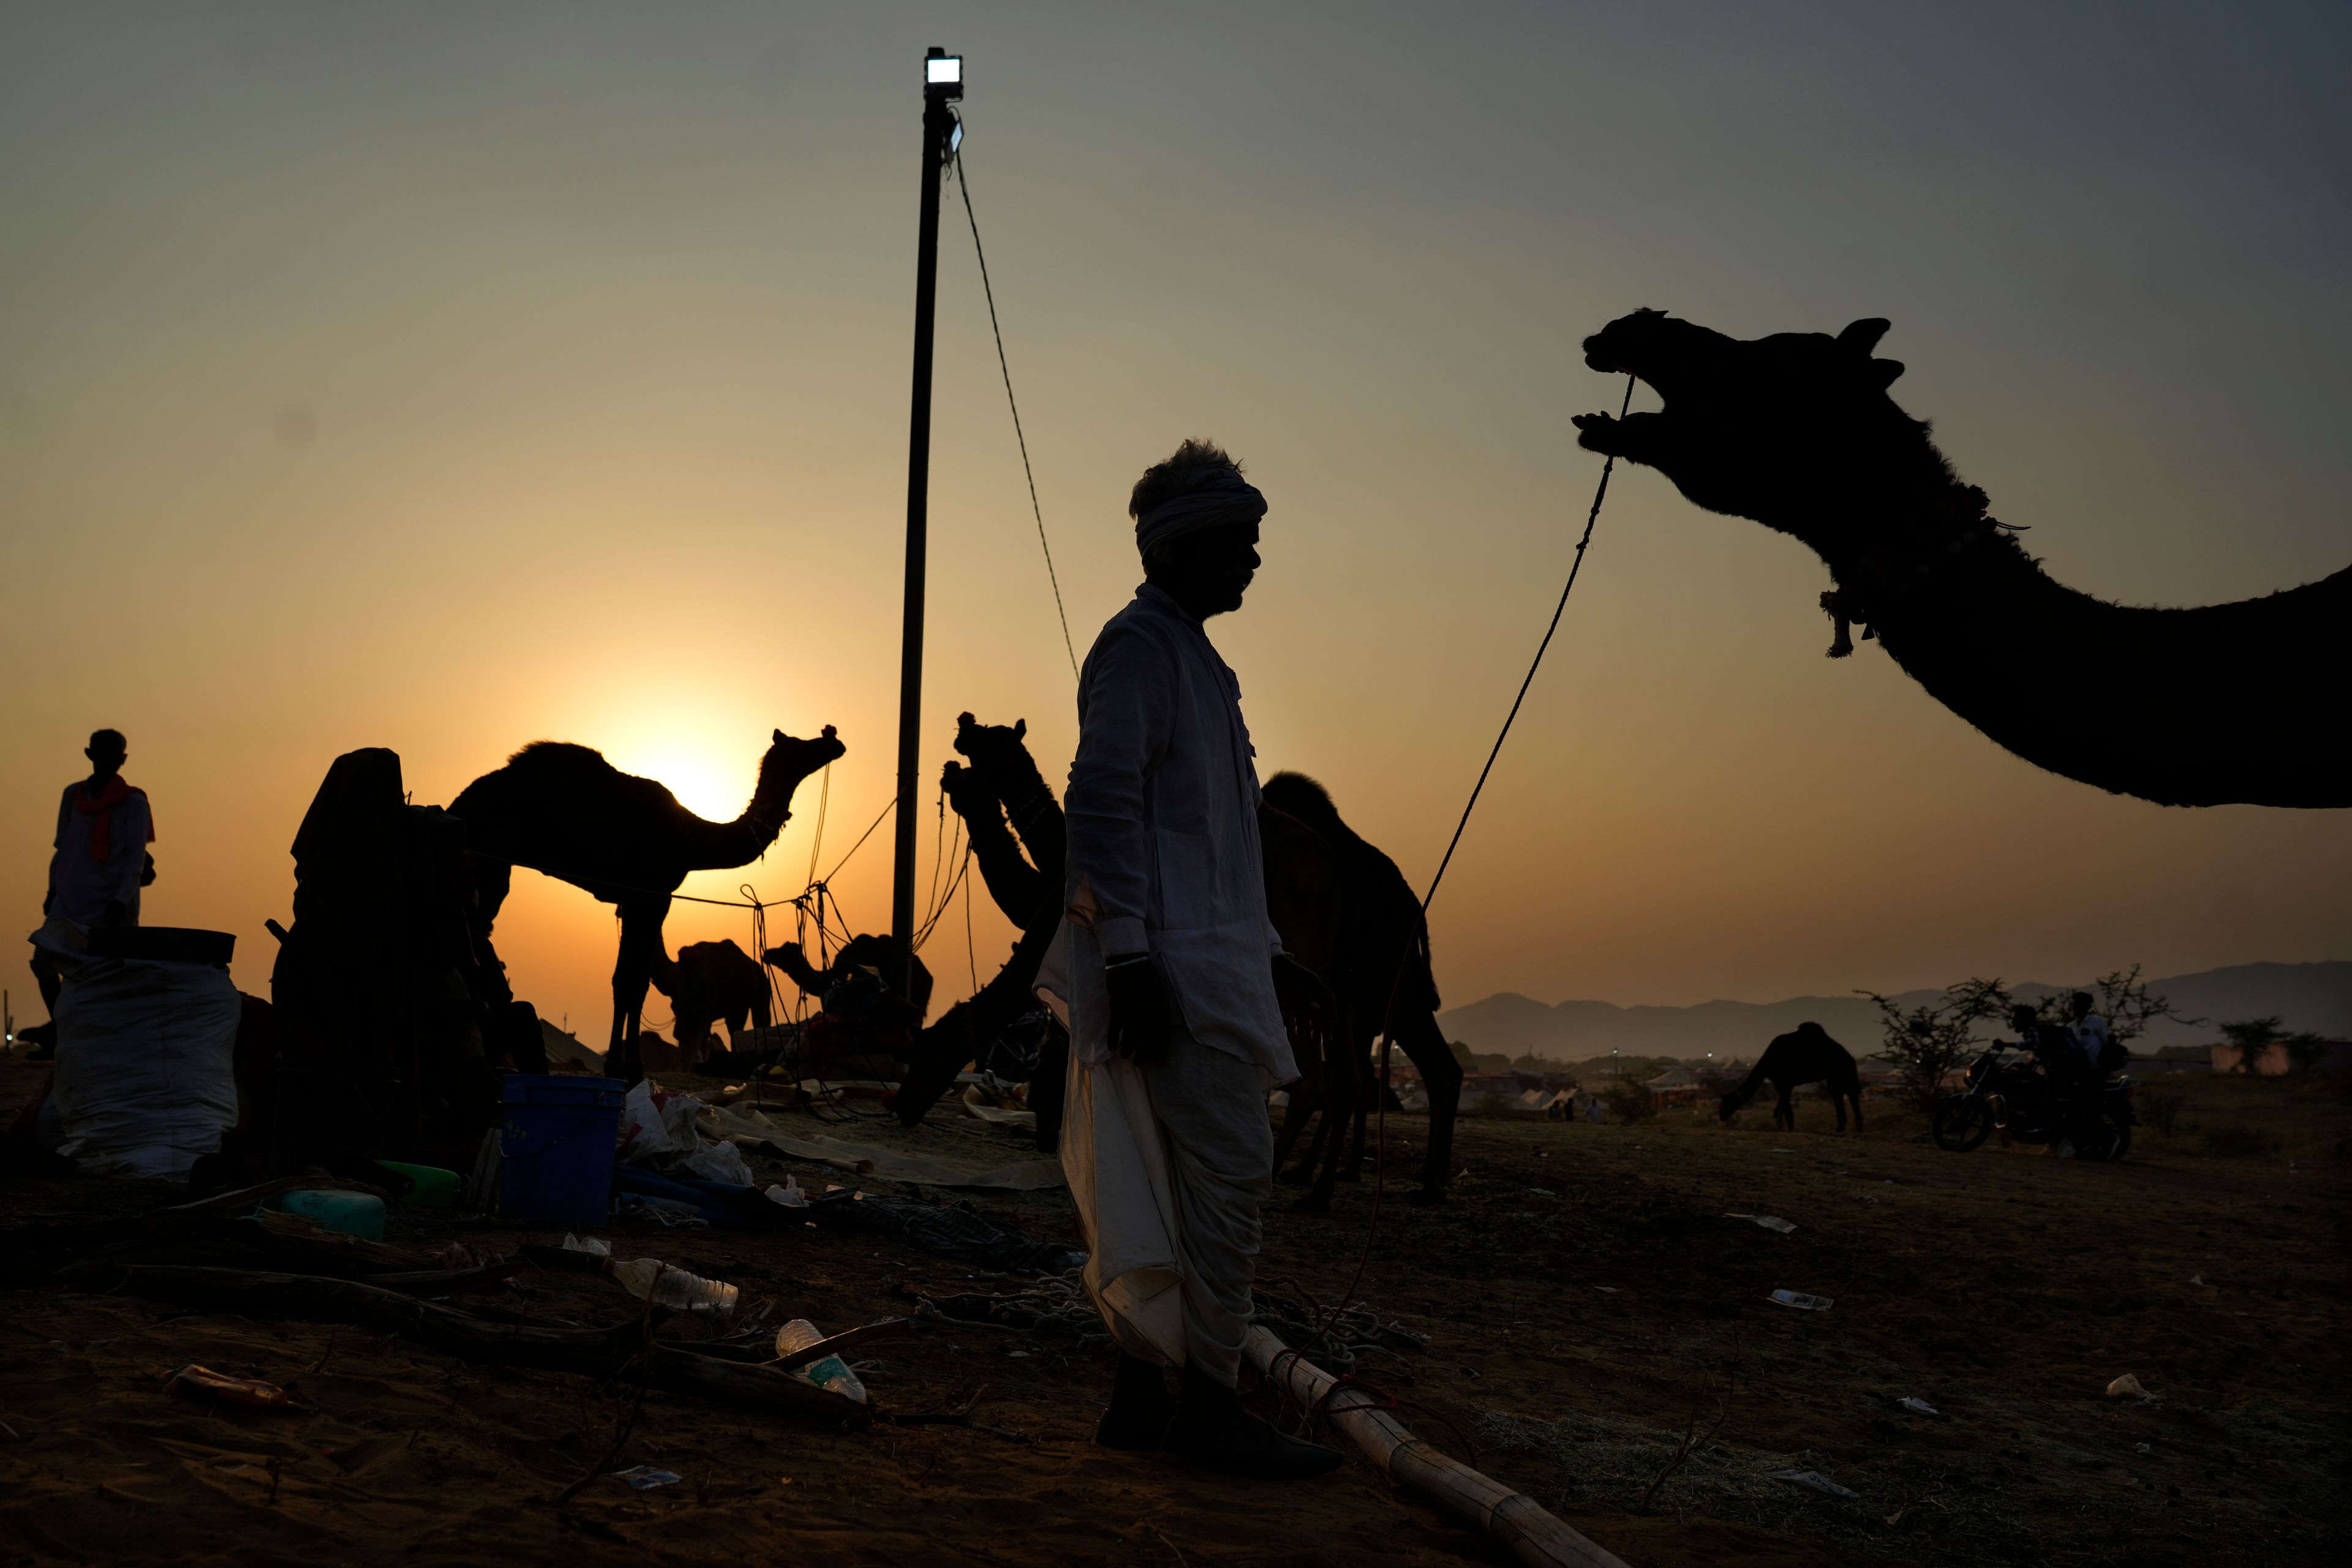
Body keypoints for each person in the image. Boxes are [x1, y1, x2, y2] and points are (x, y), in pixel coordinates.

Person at [1040, 439, 1340, 1479]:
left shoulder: (1199, 662)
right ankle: (1210, 1404)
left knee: (1161, 1183)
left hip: (1204, 966)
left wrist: (1269, 953)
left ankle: (1139, 1393)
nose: (1253, 559)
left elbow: (1213, 844)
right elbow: (1101, 799)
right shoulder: (1140, 651)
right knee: (1227, 1182)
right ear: (1189, 545)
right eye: (1239, 542)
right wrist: (1129, 960)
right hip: (1167, 975)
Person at [26, 729, 155, 1059]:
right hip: (69, 895)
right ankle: (62, 1032)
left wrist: (121, 900)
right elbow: (62, 848)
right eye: (102, 752)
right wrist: (53, 889)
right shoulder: (73, 796)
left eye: (114, 753)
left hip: (112, 901)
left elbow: (135, 857)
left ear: (122, 760)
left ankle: (107, 1040)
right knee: (44, 959)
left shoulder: (134, 802)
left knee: (112, 972)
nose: (108, 759)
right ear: (89, 754)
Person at [2071, 991, 2117, 1078]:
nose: (2075, 1007)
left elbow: (2108, 1043)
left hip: (2096, 1071)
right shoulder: (2070, 1027)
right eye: (2073, 1004)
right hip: (2077, 1071)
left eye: (2078, 1004)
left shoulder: (2096, 1023)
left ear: (2087, 1007)